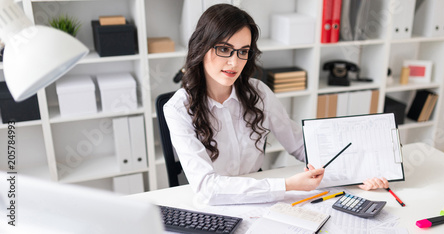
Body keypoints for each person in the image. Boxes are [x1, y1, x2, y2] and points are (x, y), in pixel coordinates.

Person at [164, 4, 388, 205]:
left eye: (243, 51)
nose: (234, 62)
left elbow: (301, 146)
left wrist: (361, 173)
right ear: (202, 47)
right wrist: (288, 185)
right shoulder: (177, 109)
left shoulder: (258, 92)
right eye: (224, 49)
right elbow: (208, 189)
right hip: (216, 207)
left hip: (259, 199)